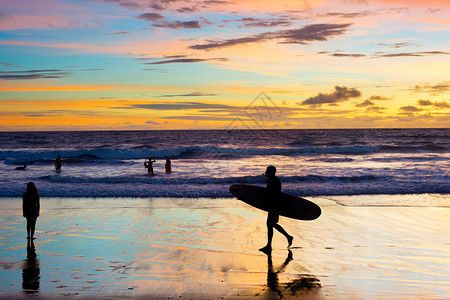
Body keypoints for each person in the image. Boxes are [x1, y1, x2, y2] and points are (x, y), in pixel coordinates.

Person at [259, 166, 293, 253]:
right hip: (273, 206)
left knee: (271, 224)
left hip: (275, 206)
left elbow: (272, 194)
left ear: (271, 172)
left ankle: (287, 237)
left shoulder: (274, 181)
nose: (265, 172)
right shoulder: (272, 180)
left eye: (267, 171)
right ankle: (270, 245)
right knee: (271, 224)